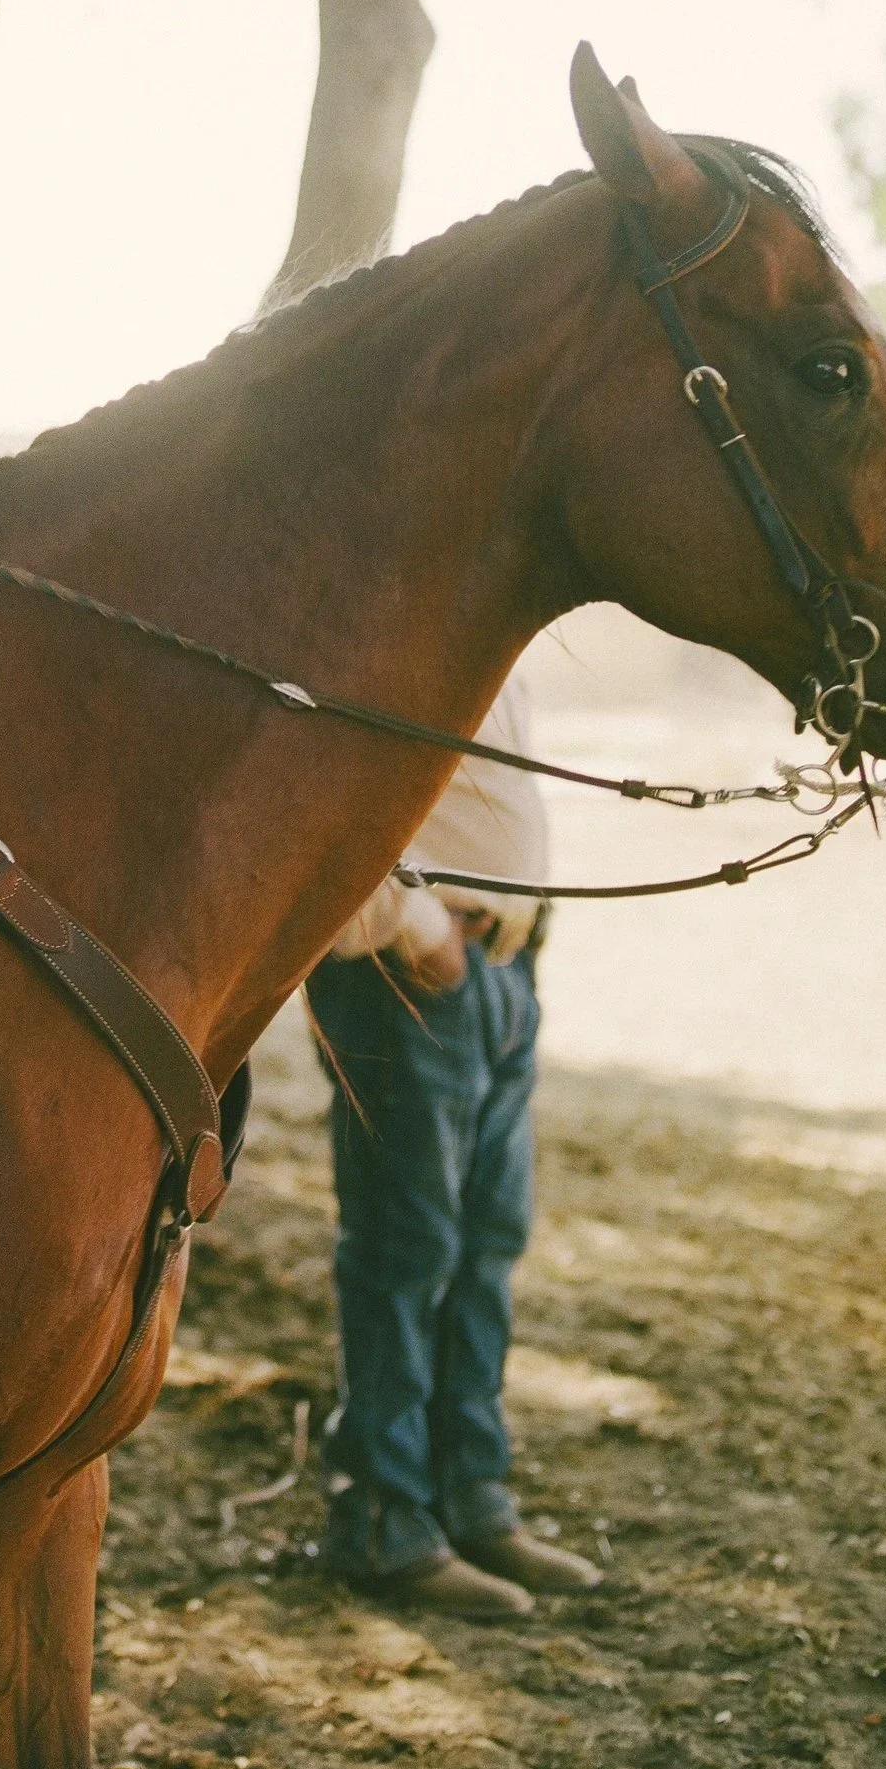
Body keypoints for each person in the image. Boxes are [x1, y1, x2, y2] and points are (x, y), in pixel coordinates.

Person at [307, 673, 604, 1619]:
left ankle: (469, 1494)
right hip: (414, 976)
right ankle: (385, 1519)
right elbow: (323, 786)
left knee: (484, 1247)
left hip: (503, 975)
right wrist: (411, 920)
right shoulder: (387, 582)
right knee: (409, 1249)